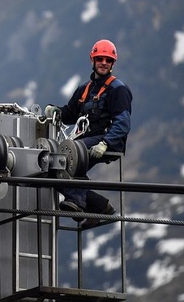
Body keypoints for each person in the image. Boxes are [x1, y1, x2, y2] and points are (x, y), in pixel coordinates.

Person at [45, 39, 133, 227]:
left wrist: (106, 143)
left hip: (107, 140)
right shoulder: (84, 89)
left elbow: (123, 122)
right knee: (52, 167)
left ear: (112, 64)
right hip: (85, 141)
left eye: (108, 60)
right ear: (92, 60)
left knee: (67, 158)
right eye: (100, 58)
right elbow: (70, 114)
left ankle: (78, 202)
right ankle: (99, 207)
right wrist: (55, 111)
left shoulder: (118, 89)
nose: (103, 63)